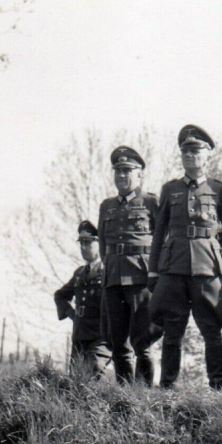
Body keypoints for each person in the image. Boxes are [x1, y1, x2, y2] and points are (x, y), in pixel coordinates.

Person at [148, 125, 222, 390]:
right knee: (172, 330)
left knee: (212, 329)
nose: (190, 155)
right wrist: (153, 271)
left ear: (207, 155)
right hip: (173, 267)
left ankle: (218, 388)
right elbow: (159, 232)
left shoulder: (219, 190)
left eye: (196, 151)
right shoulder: (170, 189)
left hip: (207, 267)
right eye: (186, 151)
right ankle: (167, 387)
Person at [98, 146, 160, 385]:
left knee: (143, 341)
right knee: (118, 342)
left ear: (139, 174)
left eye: (127, 171)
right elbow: (103, 245)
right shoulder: (107, 206)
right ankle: (124, 394)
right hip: (114, 278)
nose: (122, 175)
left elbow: (162, 240)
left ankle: (142, 395)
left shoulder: (151, 202)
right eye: (118, 171)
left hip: (141, 277)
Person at [54, 220, 111, 379]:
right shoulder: (79, 274)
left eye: (88, 242)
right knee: (75, 380)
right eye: (81, 243)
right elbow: (60, 295)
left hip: (101, 337)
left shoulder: (109, 272)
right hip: (80, 336)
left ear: (100, 243)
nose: (83, 247)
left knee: (94, 371)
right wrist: (72, 314)